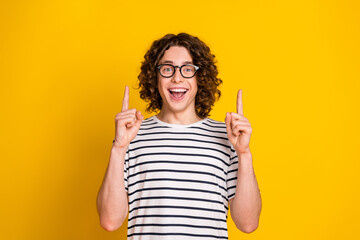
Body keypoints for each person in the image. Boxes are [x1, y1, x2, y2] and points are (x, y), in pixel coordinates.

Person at [96, 33, 262, 239]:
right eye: (167, 69)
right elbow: (110, 220)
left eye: (188, 69)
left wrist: (244, 152)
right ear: (154, 77)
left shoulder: (229, 137)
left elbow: (248, 223)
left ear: (200, 77)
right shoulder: (131, 136)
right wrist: (119, 147)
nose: (177, 77)